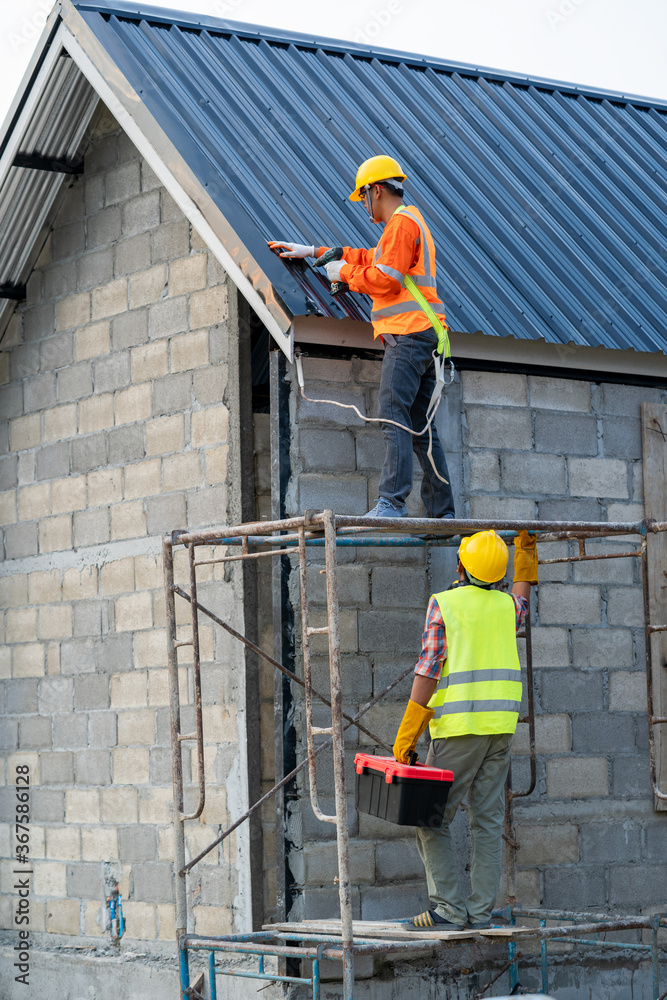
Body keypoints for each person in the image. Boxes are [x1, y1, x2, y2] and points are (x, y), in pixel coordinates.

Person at [269, 154, 455, 519]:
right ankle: (442, 511)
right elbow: (369, 258)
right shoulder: (405, 225)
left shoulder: (401, 224)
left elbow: (384, 278)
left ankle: (391, 503)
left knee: (392, 414)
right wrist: (315, 253)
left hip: (409, 334)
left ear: (376, 190)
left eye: (364, 197)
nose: (364, 206)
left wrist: (346, 274)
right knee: (419, 426)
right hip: (424, 334)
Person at [392, 529, 539, 930]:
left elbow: (428, 670)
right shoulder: (508, 607)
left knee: (431, 819)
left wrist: (407, 735)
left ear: (460, 565)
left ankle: (448, 910)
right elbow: (524, 600)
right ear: (499, 572)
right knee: (488, 821)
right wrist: (526, 557)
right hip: (500, 729)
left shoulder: (445, 604)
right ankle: (478, 913)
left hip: (459, 730)